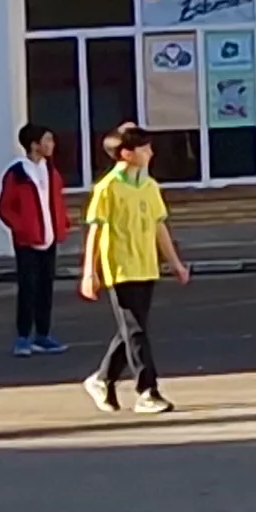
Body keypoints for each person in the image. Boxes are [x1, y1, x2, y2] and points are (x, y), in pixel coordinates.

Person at [79, 121, 188, 414]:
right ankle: (147, 390)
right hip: (120, 267)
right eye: (144, 147)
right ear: (126, 154)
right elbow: (96, 231)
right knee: (135, 330)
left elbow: (159, 226)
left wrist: (175, 263)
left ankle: (102, 378)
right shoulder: (107, 188)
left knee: (131, 330)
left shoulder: (150, 186)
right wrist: (90, 272)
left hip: (146, 265)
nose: (150, 152)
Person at [0, 125, 66, 356]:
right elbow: (5, 207)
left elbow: (54, 200)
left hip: (49, 237)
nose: (51, 144)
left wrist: (62, 222)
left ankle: (43, 335)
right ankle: (23, 337)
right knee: (28, 288)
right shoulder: (17, 173)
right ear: (35, 144)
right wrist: (22, 229)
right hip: (27, 242)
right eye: (47, 140)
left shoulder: (51, 171)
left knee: (46, 286)